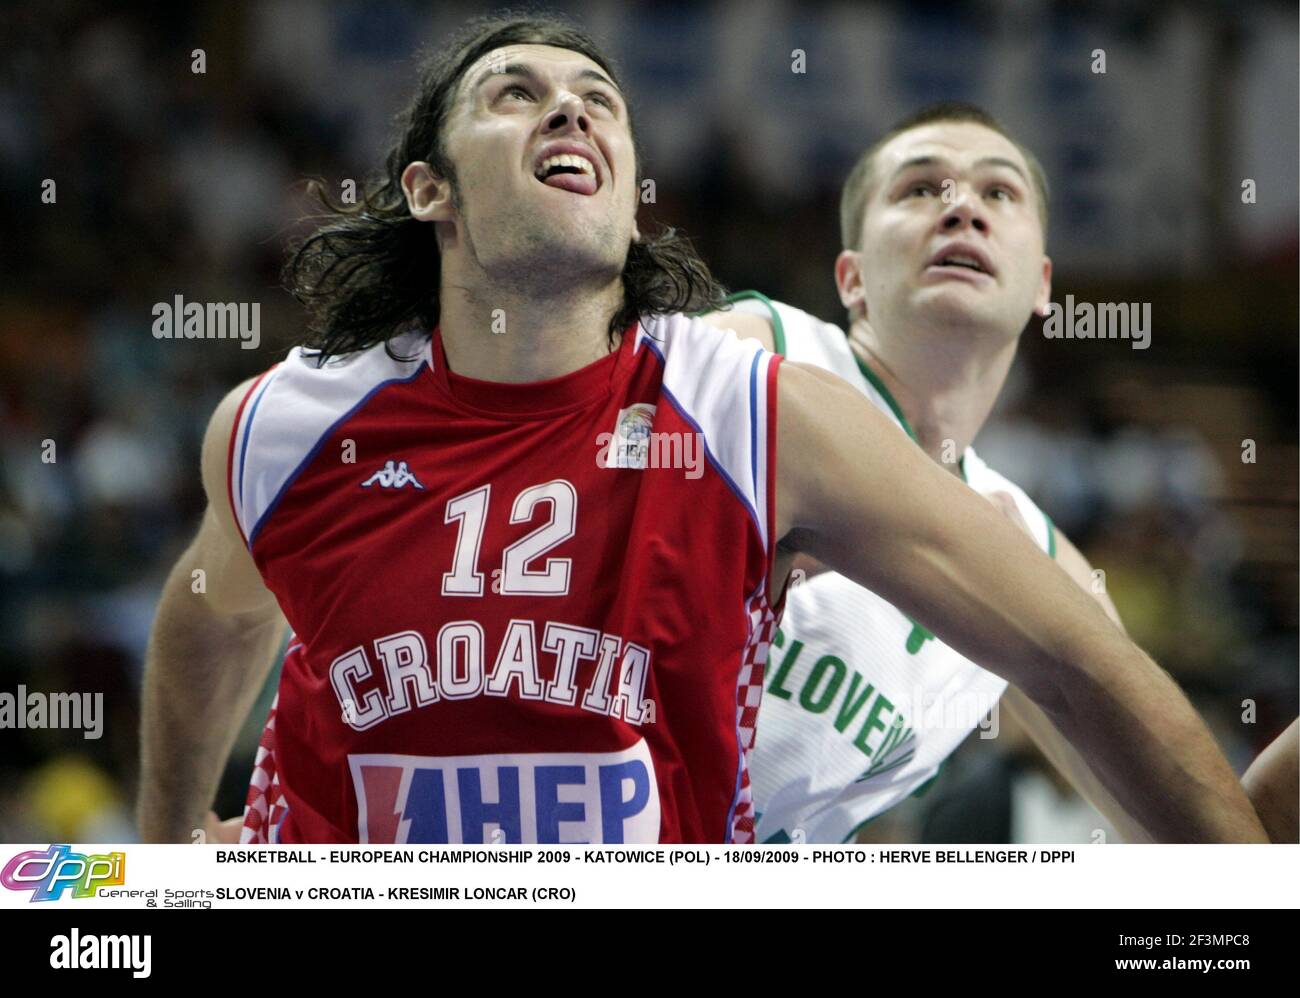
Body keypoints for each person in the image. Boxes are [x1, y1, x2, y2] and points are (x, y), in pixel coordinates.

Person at [138, 16, 1267, 845]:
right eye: (516, 94)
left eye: (599, 98)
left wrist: (1244, 893)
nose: (570, 109)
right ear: (429, 187)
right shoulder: (293, 422)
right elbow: (212, 614)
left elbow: (1090, 685)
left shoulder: (782, 429)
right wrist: (168, 845)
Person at [704, 103, 1293, 843]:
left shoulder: (1039, 558)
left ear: (1044, 285)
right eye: (921, 189)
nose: (962, 211)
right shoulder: (752, 351)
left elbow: (1202, 849)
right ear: (851, 278)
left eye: (999, 193)